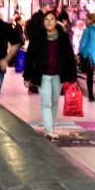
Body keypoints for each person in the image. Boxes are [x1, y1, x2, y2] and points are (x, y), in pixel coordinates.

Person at [23, 11, 77, 140]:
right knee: (46, 103)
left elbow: (70, 56)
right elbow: (30, 57)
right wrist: (27, 76)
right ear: (43, 22)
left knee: (54, 102)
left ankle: (51, 127)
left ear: (56, 21)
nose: (49, 22)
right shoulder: (37, 37)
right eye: (46, 19)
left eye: (52, 19)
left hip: (59, 75)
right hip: (43, 76)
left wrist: (73, 76)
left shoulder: (63, 36)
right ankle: (48, 130)